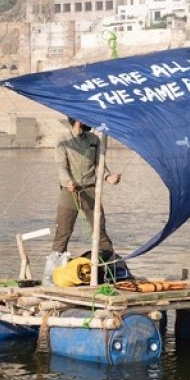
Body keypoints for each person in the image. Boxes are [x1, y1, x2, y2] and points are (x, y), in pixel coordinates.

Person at [46, 117, 121, 278]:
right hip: (70, 191)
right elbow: (61, 166)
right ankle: (52, 274)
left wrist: (109, 177)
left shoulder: (94, 140)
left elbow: (100, 164)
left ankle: (110, 270)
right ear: (78, 120)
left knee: (100, 230)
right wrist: (67, 181)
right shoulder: (62, 140)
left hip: (91, 190)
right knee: (63, 232)